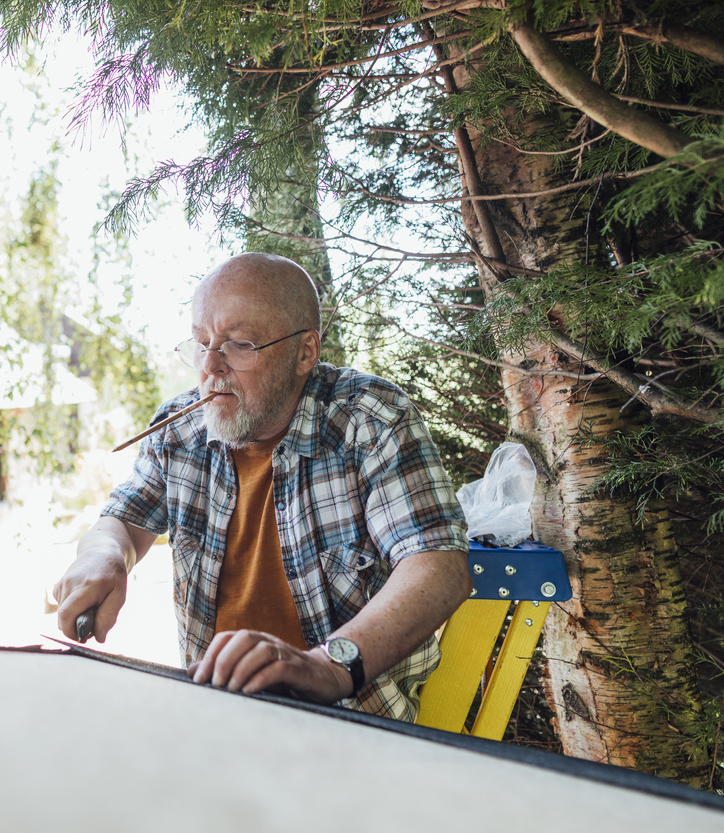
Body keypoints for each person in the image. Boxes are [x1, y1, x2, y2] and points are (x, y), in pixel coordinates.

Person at [53, 252, 471, 720]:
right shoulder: (178, 429)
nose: (210, 366)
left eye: (238, 343)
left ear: (305, 353)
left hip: (355, 719)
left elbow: (438, 564)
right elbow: (126, 522)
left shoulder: (370, 419)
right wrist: (104, 555)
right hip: (216, 710)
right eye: (201, 342)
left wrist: (327, 667)